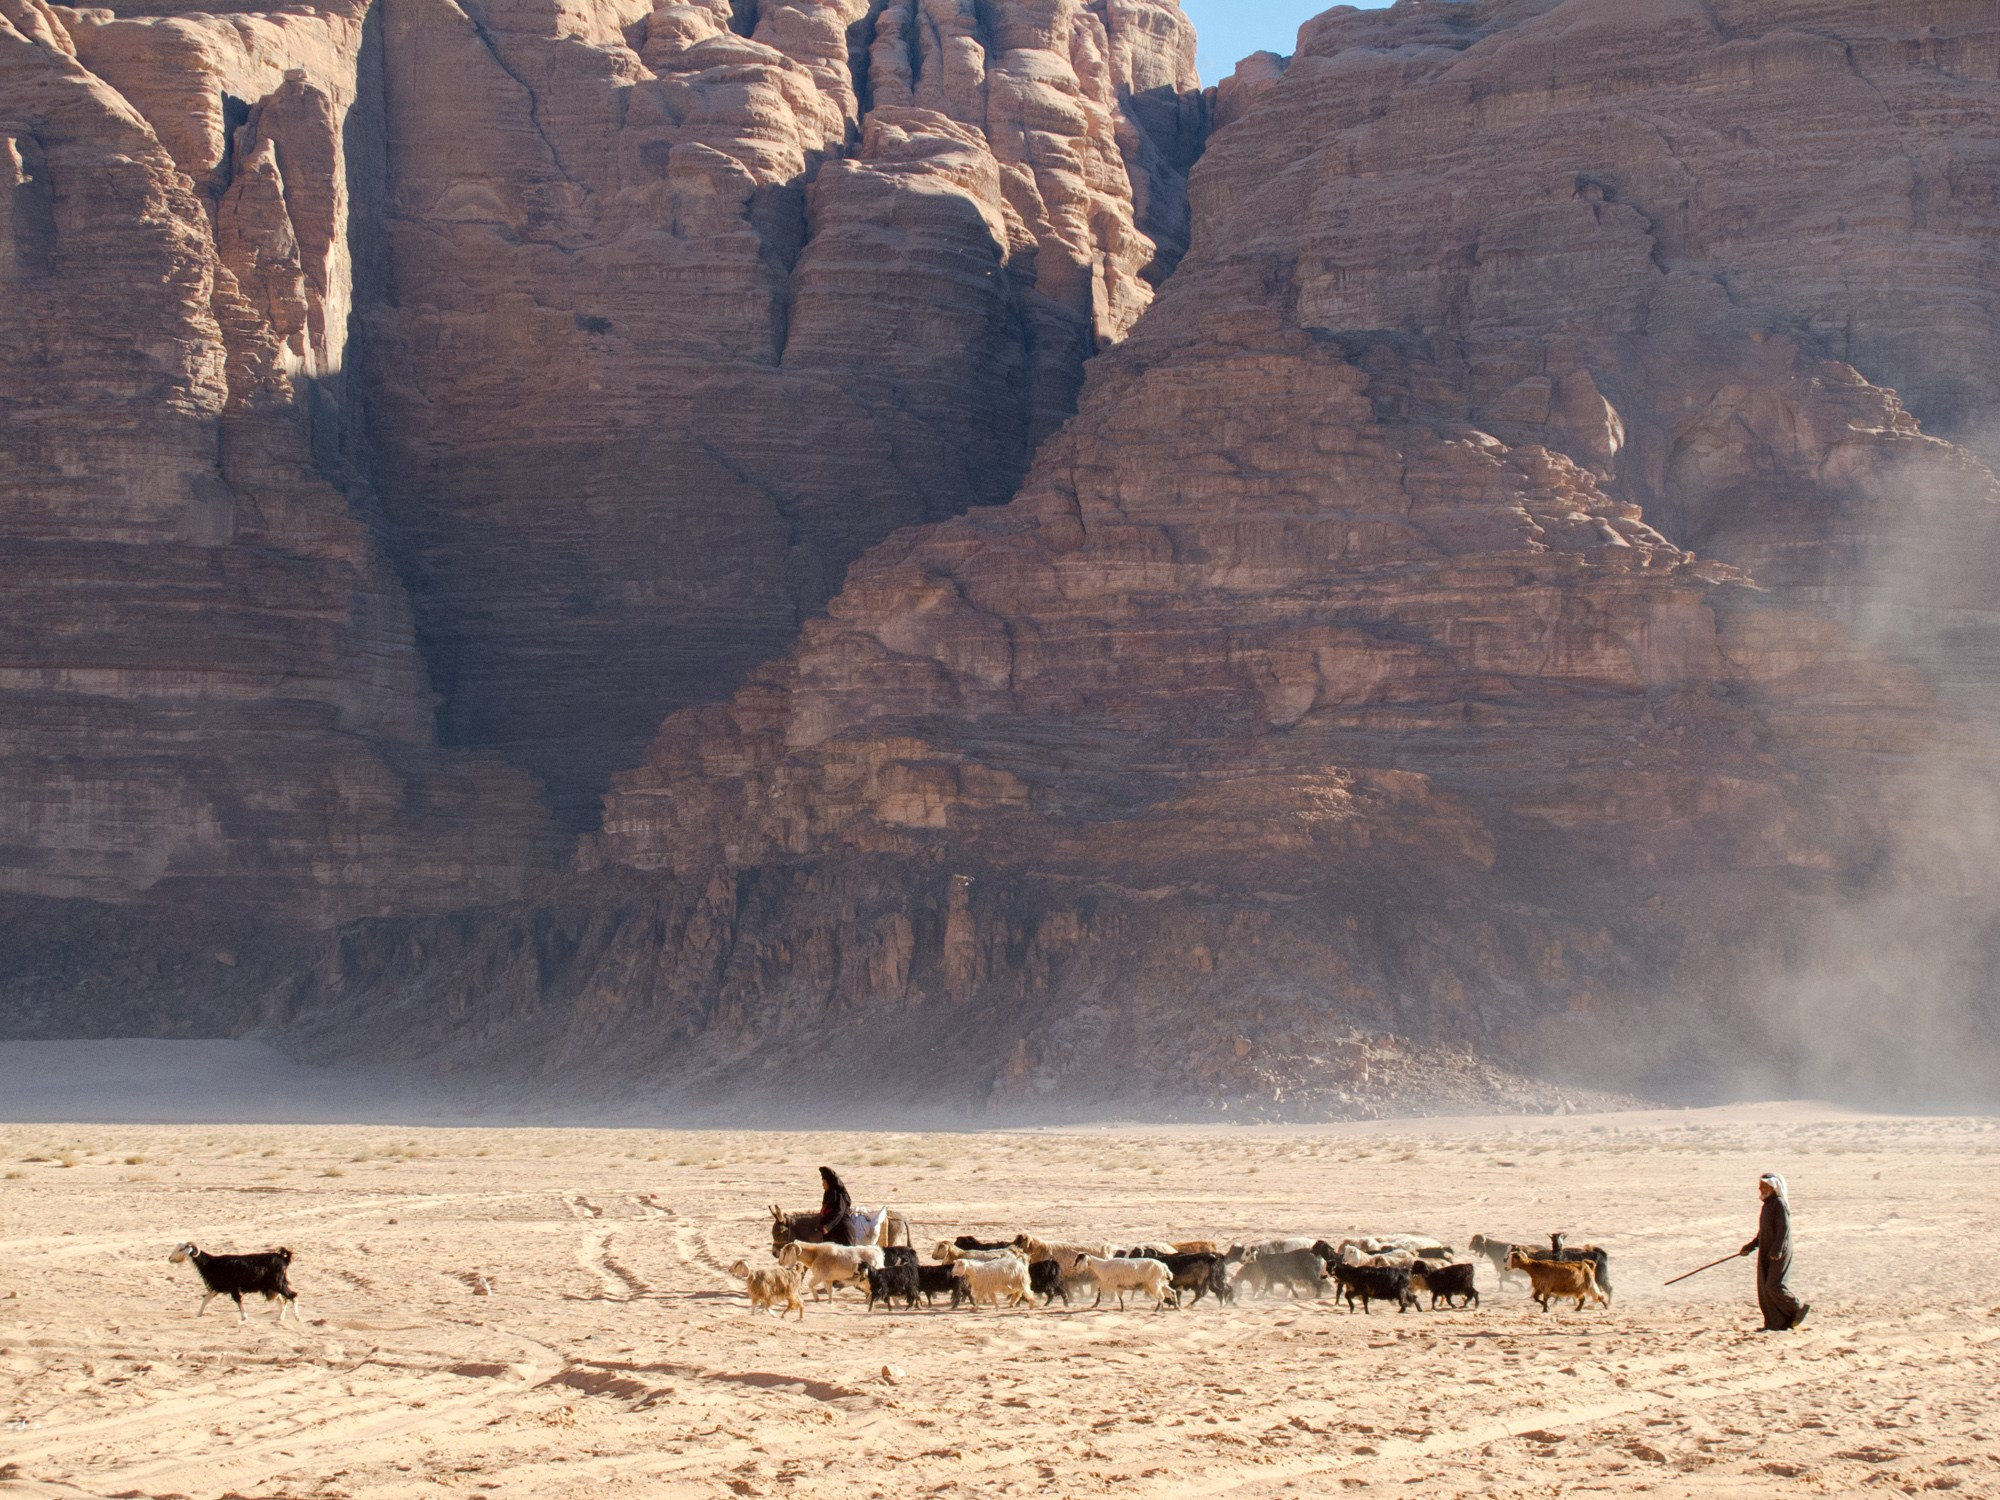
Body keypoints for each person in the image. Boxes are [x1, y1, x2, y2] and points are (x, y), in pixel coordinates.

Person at [1739, 1172, 1811, 1330]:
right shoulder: (1767, 1205)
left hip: (1779, 1251)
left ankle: (1798, 1307)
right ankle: (1777, 1324)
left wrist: (1777, 1250)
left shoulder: (1779, 1204)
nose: (1760, 1188)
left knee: (1773, 1285)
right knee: (1765, 1288)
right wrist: (1750, 1247)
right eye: (1760, 1186)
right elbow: (1763, 1232)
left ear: (1773, 1187)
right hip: (1768, 1250)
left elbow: (1783, 1229)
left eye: (1764, 1186)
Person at [816, 1166, 854, 1245]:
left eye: (824, 1183)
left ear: (829, 1183)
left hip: (843, 1232)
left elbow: (839, 1213)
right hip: (832, 1232)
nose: (823, 1185)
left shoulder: (839, 1196)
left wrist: (827, 1227)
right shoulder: (828, 1195)